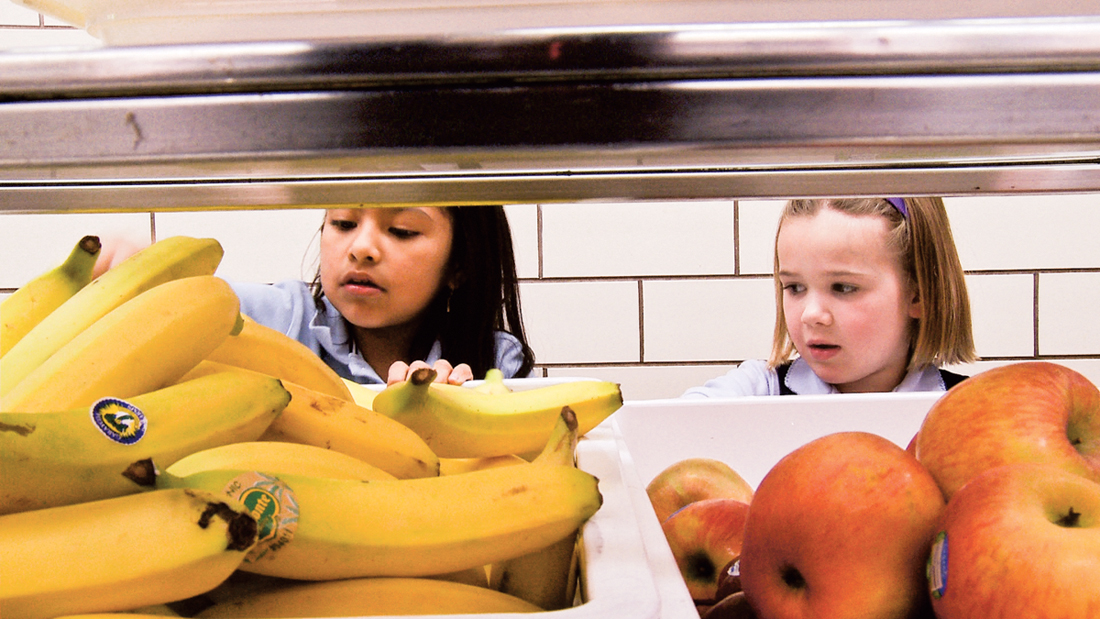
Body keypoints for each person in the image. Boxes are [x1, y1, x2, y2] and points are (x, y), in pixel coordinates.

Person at [95, 205, 536, 386]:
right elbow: (200, 302)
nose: (361, 247)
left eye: (401, 230)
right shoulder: (282, 318)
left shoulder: (492, 362)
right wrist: (141, 280)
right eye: (343, 223)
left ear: (459, 266)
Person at [682, 196, 977, 398]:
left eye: (843, 288)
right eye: (794, 287)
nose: (811, 314)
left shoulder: (965, 408)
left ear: (920, 295)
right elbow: (675, 426)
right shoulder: (761, 388)